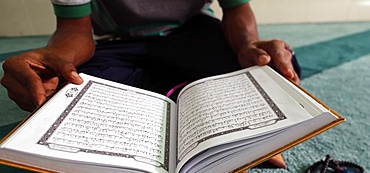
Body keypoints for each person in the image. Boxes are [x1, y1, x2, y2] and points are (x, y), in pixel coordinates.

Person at [1, 0, 300, 112]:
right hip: (119, 42)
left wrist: (248, 46)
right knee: (65, 89)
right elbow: (75, 30)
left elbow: (236, 9)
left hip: (191, 31)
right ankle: (184, 89)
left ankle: (159, 91)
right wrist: (52, 61)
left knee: (271, 65)